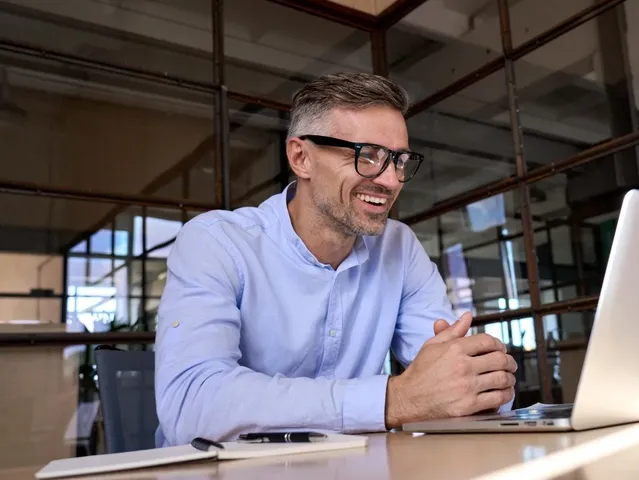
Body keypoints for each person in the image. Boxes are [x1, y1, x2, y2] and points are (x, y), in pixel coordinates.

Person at [154, 72, 517, 447]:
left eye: (399, 160)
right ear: (301, 158)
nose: (391, 181)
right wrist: (392, 400)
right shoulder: (216, 242)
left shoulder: (399, 247)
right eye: (367, 156)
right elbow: (190, 404)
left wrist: (481, 379)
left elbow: (457, 383)